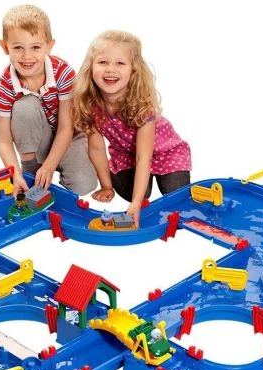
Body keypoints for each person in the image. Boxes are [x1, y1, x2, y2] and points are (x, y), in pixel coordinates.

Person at [73, 30, 192, 226]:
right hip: (127, 155)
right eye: (103, 62)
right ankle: (138, 184)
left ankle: (157, 181)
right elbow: (96, 148)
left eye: (120, 63)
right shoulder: (90, 104)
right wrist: (107, 186)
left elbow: (143, 157)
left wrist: (136, 205)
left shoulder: (142, 105)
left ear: (133, 70)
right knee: (136, 193)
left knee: (176, 196)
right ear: (90, 67)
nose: (110, 69)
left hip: (166, 154)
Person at [0, 5, 96, 195]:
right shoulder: (6, 83)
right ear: (5, 47)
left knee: (84, 185)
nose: (27, 56)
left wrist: (49, 167)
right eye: (18, 48)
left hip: (69, 137)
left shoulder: (63, 72)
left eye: (36, 47)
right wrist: (16, 174)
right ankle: (31, 169)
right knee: (25, 107)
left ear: (49, 45)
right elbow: (4, 141)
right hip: (38, 141)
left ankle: (54, 168)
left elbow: (66, 128)